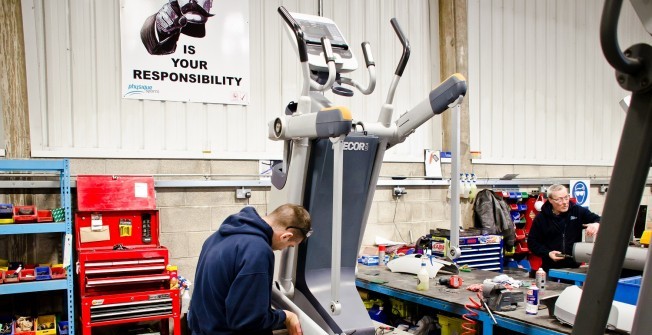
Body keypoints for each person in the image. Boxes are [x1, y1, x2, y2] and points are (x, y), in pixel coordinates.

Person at [187, 204, 312, 335]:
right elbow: (248, 321)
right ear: (285, 236)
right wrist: (285, 316)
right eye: (289, 245)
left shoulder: (217, 237)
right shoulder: (258, 251)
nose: (282, 249)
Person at [528, 184, 601, 272]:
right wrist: (548, 253)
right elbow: (532, 243)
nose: (565, 202)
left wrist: (596, 224)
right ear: (550, 200)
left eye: (566, 197)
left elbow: (601, 220)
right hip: (550, 269)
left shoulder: (577, 211)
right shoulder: (541, 218)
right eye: (559, 199)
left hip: (574, 268)